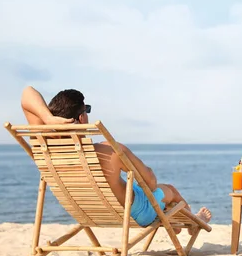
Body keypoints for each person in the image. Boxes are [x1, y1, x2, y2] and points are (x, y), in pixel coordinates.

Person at [20, 86, 212, 229]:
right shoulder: (110, 150)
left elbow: (26, 93)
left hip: (87, 211)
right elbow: (151, 183)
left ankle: (174, 225)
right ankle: (196, 222)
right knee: (169, 190)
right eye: (86, 110)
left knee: (148, 193)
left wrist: (48, 119)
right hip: (135, 214)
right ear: (80, 119)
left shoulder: (46, 144)